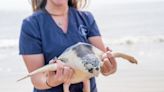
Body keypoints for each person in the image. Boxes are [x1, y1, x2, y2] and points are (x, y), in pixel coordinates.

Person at [19, 0, 117, 92]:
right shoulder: (31, 24)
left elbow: (102, 62)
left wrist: (110, 69)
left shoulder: (86, 18)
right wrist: (50, 81)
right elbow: (37, 78)